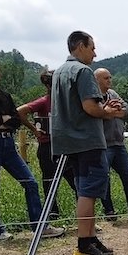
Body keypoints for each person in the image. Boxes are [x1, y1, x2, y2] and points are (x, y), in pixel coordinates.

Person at [0, 58, 64, 241]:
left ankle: (39, 227)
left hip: (8, 144)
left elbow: (14, 119)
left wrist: (0, 120)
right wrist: (1, 119)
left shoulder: (4, 95)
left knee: (31, 182)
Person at [51, 31, 122, 255]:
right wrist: (108, 112)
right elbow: (90, 107)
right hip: (87, 140)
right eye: (92, 48)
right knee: (88, 192)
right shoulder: (83, 71)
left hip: (68, 140)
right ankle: (83, 243)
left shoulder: (59, 71)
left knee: (84, 190)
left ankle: (90, 239)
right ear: (80, 46)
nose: (95, 53)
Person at [17, 70, 77, 220]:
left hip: (65, 146)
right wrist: (34, 130)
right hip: (47, 146)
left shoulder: (66, 103)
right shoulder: (44, 101)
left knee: (75, 179)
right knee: (49, 181)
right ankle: (52, 212)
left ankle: (83, 212)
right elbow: (20, 112)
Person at [93, 68, 128, 220]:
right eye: (106, 78)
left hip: (119, 143)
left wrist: (111, 112)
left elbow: (126, 111)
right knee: (105, 179)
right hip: (104, 145)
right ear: (96, 80)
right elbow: (97, 115)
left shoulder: (113, 94)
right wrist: (108, 112)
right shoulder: (93, 98)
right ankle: (109, 212)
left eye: (110, 77)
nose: (109, 80)